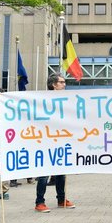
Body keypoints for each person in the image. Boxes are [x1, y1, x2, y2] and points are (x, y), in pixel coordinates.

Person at [34, 73, 75, 212]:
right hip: (46, 140)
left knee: (61, 172)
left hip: (60, 140)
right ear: (53, 85)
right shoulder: (42, 100)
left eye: (64, 82)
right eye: (62, 82)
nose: (64, 84)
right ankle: (39, 202)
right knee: (44, 173)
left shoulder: (66, 100)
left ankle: (61, 199)